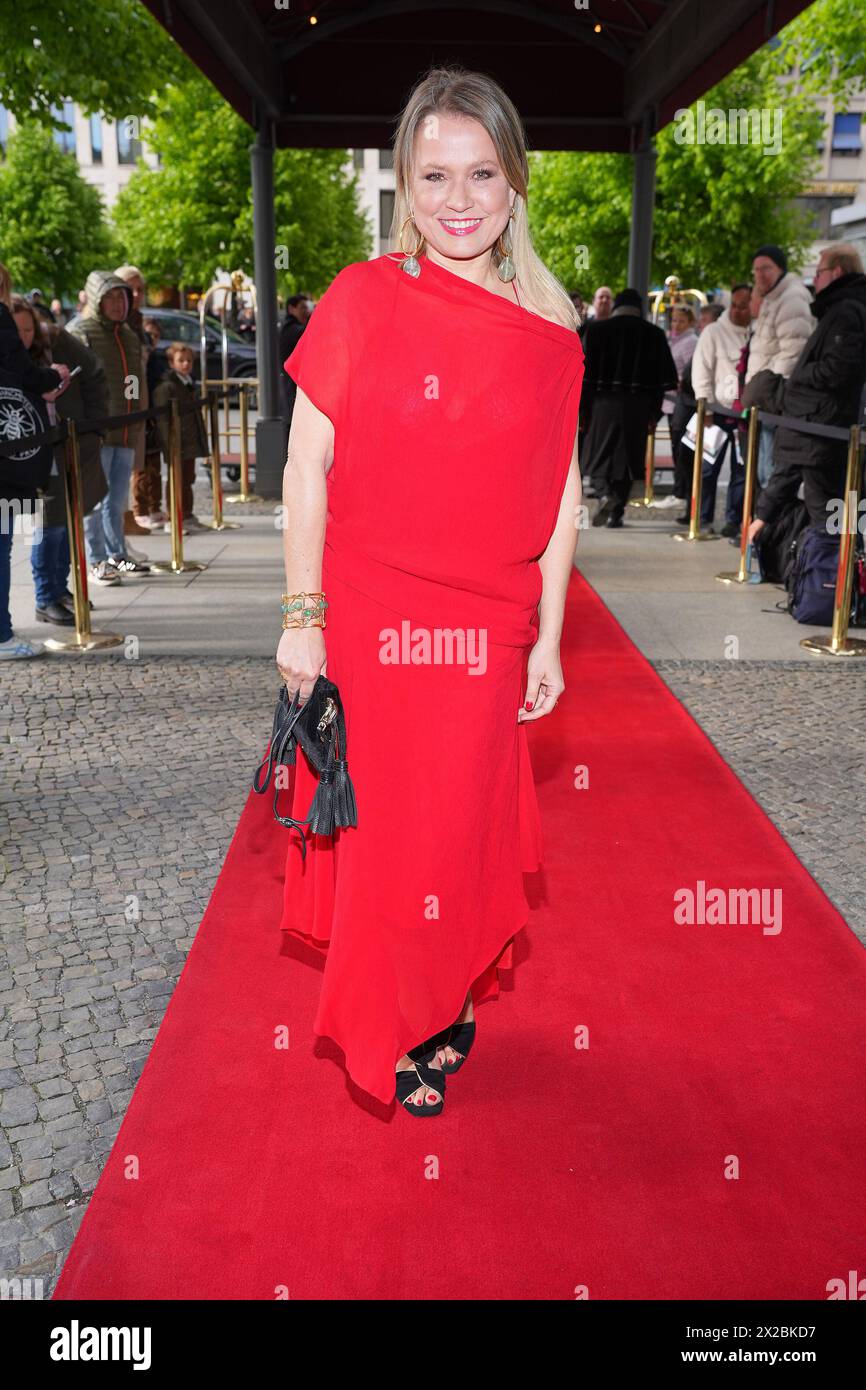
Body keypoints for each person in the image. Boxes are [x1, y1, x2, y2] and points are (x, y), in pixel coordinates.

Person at [275, 65, 584, 1115]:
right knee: (388, 841)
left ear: (514, 185)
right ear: (405, 186)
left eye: (480, 174)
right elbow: (303, 466)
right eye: (434, 175)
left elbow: (561, 493)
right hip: (370, 619)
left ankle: (443, 996)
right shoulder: (362, 297)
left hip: (485, 628)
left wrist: (544, 638)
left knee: (459, 831)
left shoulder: (549, 329)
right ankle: (389, 1019)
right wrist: (301, 617)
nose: (458, 200)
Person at [746, 243, 866, 543]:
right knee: (832, 514)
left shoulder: (847, 311)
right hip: (819, 425)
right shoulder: (841, 308)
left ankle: (832, 583)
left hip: (822, 427)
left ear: (837, 271)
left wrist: (797, 377)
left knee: (830, 517)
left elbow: (839, 369)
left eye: (820, 269)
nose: (816, 277)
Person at [11, 297, 108, 626]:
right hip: (28, 456)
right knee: (44, 526)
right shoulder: (11, 361)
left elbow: (94, 373)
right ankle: (45, 596)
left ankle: (58, 587)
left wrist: (93, 426)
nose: (22, 335)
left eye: (27, 328)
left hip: (58, 445)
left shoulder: (48, 346)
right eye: (16, 329)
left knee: (65, 521)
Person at [0, 263, 68, 658]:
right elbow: (22, 373)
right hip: (7, 458)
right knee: (2, 543)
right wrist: (53, 376)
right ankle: (2, 633)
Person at [69, 270, 150, 584]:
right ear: (96, 299)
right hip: (96, 433)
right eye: (111, 297)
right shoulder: (80, 332)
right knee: (94, 500)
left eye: (122, 297)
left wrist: (137, 417)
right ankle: (96, 559)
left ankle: (118, 554)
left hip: (125, 431)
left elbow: (133, 383)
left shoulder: (128, 335)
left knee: (116, 502)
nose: (118, 303)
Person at [580, 288, 677, 526]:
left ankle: (604, 494)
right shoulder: (653, 334)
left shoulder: (597, 330)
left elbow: (583, 374)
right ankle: (617, 514)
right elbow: (662, 381)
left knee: (599, 454)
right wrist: (654, 412)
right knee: (627, 459)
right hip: (638, 406)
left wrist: (583, 410)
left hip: (603, 404)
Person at [678, 284, 752, 534]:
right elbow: (702, 369)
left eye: (744, 306)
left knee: (742, 469)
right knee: (708, 468)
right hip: (716, 410)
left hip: (746, 412)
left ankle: (734, 519)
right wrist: (705, 405)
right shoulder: (713, 331)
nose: (738, 311)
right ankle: (703, 517)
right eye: (735, 305)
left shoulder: (757, 330)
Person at [746, 245, 813, 489]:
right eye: (756, 269)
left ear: (780, 269)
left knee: (772, 472)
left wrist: (767, 387)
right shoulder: (774, 297)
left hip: (777, 398)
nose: (760, 274)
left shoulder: (791, 298)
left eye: (766, 268)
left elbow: (793, 353)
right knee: (765, 470)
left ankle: (774, 526)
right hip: (768, 397)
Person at [153, 343, 209, 533]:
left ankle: (186, 513)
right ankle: (173, 516)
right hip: (177, 440)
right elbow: (163, 420)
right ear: (171, 362)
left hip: (189, 439)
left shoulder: (187, 382)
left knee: (188, 478)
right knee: (176, 480)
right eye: (181, 361)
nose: (186, 364)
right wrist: (170, 443)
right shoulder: (167, 387)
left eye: (189, 361)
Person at [136, 315, 169, 528]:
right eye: (149, 335)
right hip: (141, 417)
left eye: (156, 336)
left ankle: (155, 507)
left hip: (154, 418)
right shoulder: (140, 360)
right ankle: (140, 509)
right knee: (140, 469)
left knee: (155, 467)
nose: (153, 339)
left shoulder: (158, 359)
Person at [278, 294, 313, 428]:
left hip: (290, 390)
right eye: (302, 308)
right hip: (291, 390)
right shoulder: (293, 329)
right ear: (291, 309)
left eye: (307, 308)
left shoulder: (288, 327)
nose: (306, 311)